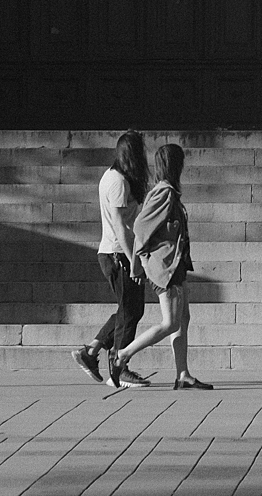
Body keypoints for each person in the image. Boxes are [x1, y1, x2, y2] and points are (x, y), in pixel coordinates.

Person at [109, 143, 210, 390]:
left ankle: (183, 374)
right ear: (176, 166)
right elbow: (141, 227)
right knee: (170, 323)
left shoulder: (167, 191)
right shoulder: (164, 193)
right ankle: (121, 355)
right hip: (165, 267)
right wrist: (142, 261)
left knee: (182, 318)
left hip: (175, 265)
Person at [75, 131, 149, 387]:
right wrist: (134, 262)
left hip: (114, 252)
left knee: (128, 309)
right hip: (118, 253)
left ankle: (91, 352)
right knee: (131, 311)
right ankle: (119, 368)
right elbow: (120, 226)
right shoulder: (118, 181)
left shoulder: (113, 177)